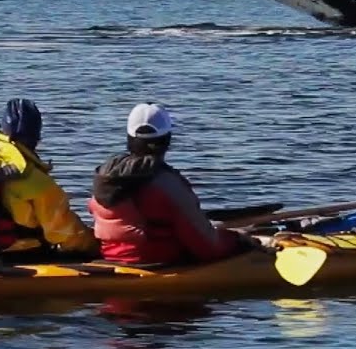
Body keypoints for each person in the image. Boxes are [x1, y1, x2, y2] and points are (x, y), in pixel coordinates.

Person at [89, 102, 247, 266]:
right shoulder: (168, 185)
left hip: (112, 258)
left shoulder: (104, 178)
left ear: (129, 139)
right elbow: (208, 248)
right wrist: (238, 240)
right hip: (159, 262)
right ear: (167, 140)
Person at [0, 98, 99, 262]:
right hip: (22, 258)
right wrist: (94, 246)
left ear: (0, 130)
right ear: (36, 138)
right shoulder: (36, 181)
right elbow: (62, 232)